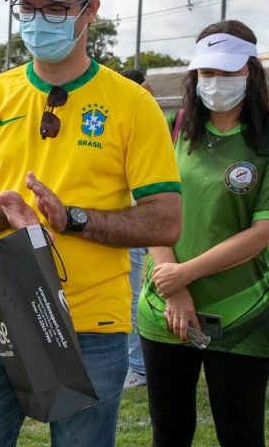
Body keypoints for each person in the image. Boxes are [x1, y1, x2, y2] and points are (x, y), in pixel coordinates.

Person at [0, 0, 182, 446]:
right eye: (26, 7)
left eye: (54, 8)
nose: (36, 20)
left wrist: (71, 218)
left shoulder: (133, 104)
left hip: (91, 325)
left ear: (89, 10)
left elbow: (165, 221)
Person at [137, 20, 269, 446]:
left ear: (251, 70)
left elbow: (267, 229)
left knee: (240, 433)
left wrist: (185, 274)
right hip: (165, 310)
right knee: (168, 433)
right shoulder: (175, 128)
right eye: (207, 72)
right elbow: (151, 209)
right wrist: (173, 285)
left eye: (228, 72)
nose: (215, 82)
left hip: (241, 312)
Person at [120, 68, 153, 388]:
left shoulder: (138, 123)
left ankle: (138, 367)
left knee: (129, 299)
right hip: (120, 226)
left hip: (128, 228)